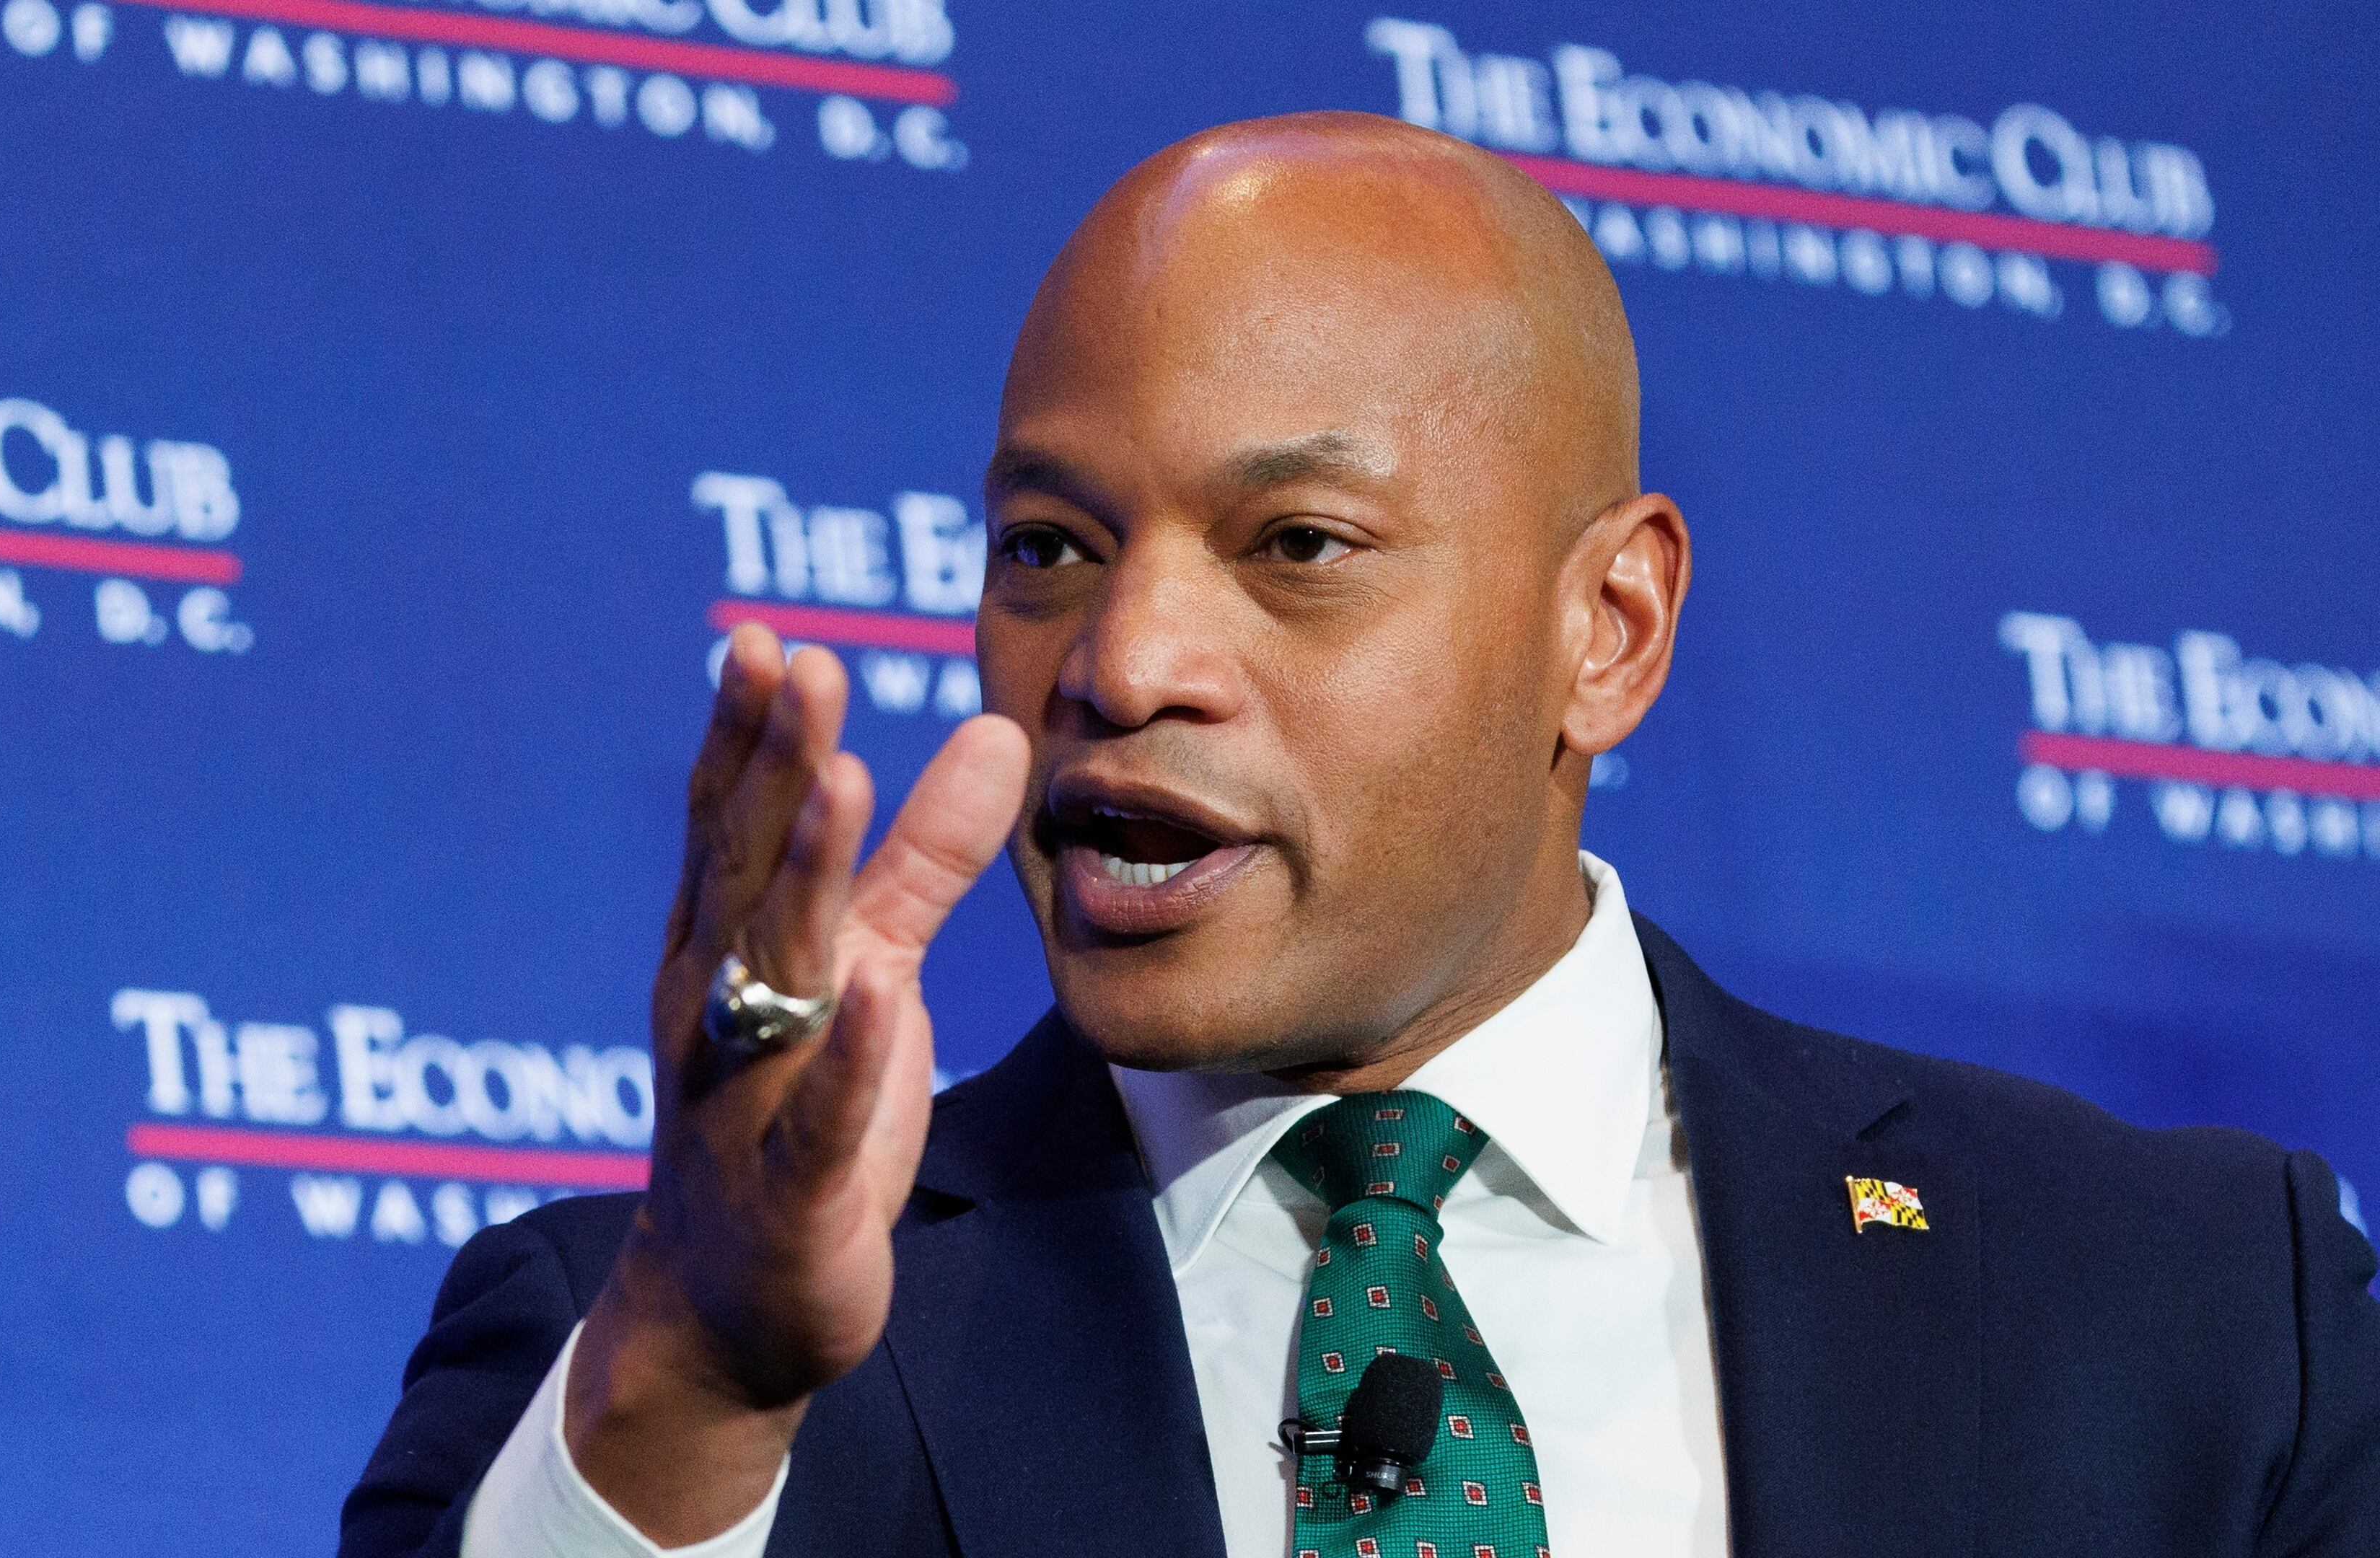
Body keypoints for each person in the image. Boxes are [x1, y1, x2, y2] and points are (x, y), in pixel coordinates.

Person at [339, 112, 2380, 1558]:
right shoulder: (654, 1363)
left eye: (1297, 547)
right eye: (1049, 546)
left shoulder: (2180, 1311)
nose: (1118, 660)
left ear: (1610, 628)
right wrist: (685, 1394)